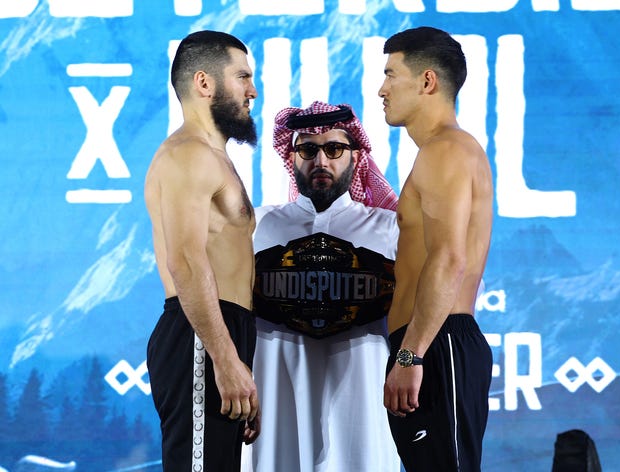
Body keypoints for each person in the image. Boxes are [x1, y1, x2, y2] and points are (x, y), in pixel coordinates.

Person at [243, 101, 401, 472]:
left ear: (355, 155)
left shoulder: (390, 230)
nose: (321, 161)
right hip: (275, 399)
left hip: (363, 399)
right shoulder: (256, 228)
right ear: (292, 156)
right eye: (307, 150)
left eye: (334, 149)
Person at [378, 27, 494, 471]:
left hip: (435, 345)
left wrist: (412, 353)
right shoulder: (442, 151)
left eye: (391, 75)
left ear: (427, 81)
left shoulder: (445, 150)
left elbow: (449, 259)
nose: (381, 89)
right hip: (431, 345)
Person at [144, 30, 260, 472]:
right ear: (204, 83)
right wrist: (225, 359)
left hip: (220, 334)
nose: (253, 90)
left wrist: (239, 362)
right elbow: (187, 262)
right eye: (242, 77)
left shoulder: (213, 155)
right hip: (200, 336)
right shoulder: (187, 155)